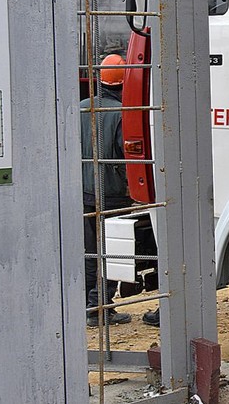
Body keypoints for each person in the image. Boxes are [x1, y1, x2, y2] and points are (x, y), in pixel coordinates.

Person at [81, 53, 133, 327]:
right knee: (112, 251)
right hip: (112, 193)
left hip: (83, 192)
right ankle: (100, 306)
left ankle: (90, 307)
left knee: (90, 251)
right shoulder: (120, 114)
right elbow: (124, 157)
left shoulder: (79, 108)